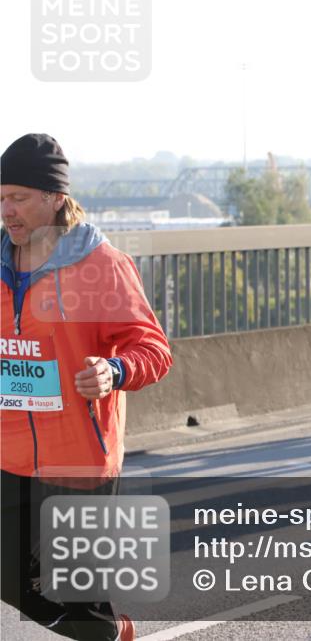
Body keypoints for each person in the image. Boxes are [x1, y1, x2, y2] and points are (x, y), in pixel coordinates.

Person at [1, 134, 173, 641]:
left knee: (82, 610)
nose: (7, 210)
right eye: (1, 197)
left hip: (79, 455)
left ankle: (104, 631)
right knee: (8, 576)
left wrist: (113, 371)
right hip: (8, 452)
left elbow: (154, 350)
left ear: (55, 198)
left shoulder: (101, 265)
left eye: (19, 197)